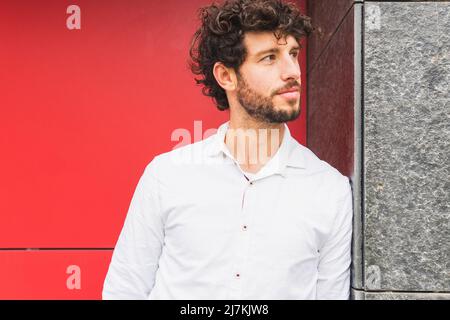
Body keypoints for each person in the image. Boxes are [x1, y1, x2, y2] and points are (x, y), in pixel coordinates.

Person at [103, 0, 353, 300]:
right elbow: (124, 291)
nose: (292, 72)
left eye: (294, 54)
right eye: (269, 58)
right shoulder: (166, 175)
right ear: (226, 76)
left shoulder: (330, 190)